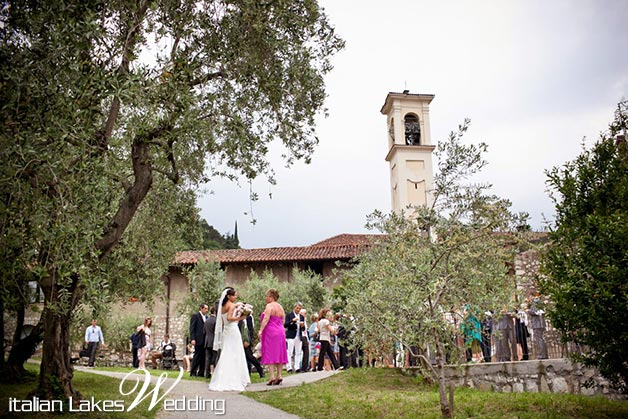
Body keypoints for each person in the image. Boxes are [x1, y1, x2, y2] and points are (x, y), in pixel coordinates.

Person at [208, 287, 251, 391]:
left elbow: (224, 320)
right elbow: (229, 318)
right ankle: (237, 377)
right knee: (236, 352)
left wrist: (239, 306)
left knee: (227, 352)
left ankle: (224, 376)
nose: (236, 297)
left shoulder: (222, 306)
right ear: (229, 296)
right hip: (232, 330)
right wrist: (240, 318)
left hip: (226, 331)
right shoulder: (231, 305)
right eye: (234, 295)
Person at [258, 288, 288, 385]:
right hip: (280, 331)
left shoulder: (269, 306)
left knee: (270, 352)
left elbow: (266, 319)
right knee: (279, 352)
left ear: (271, 297)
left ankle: (271, 377)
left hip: (270, 332)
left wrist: (261, 330)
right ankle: (279, 375)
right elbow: (283, 320)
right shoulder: (280, 307)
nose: (266, 298)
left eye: (267, 296)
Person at [240, 314, 264, 378]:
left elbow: (250, 330)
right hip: (238, 340)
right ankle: (246, 373)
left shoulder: (248, 318)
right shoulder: (238, 320)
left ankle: (260, 370)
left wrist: (248, 341)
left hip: (246, 341)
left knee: (250, 357)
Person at [284, 302, 304, 372]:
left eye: (299, 308)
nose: (298, 310)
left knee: (298, 352)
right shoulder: (289, 315)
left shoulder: (301, 317)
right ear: (294, 308)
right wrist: (292, 321)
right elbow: (285, 325)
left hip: (298, 335)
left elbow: (303, 328)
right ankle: (289, 367)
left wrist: (303, 326)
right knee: (290, 352)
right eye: (297, 308)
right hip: (291, 335)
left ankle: (297, 367)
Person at [189, 303, 208, 377]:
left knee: (203, 356)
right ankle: (193, 371)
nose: (207, 310)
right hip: (198, 339)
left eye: (207, 309)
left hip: (204, 339)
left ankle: (201, 372)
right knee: (197, 356)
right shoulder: (195, 316)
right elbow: (192, 328)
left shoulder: (206, 317)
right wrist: (192, 338)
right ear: (201, 308)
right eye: (205, 308)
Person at [528, 294, 548, 359]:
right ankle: (544, 354)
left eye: (530, 296)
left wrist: (528, 310)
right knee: (541, 339)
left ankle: (541, 355)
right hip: (540, 324)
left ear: (532, 296)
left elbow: (534, 311)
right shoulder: (539, 302)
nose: (529, 298)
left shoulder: (535, 302)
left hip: (537, 324)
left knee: (539, 340)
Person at [204, 305, 217, 379]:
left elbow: (204, 331)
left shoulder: (207, 320)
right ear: (215, 312)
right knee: (214, 357)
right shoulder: (215, 321)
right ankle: (214, 372)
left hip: (207, 341)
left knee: (208, 358)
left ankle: (207, 374)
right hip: (213, 341)